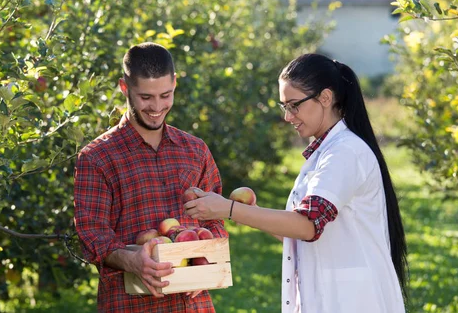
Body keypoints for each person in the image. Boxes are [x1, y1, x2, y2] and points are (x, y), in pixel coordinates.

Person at [184, 53, 408, 312]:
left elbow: (308, 226)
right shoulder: (326, 150)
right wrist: (251, 213)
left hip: (353, 300)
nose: (288, 117)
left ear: (325, 98)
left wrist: (228, 209)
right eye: (284, 107)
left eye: (294, 105)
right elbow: (304, 231)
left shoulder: (345, 152)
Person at [74, 42, 228, 312]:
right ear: (125, 87)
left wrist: (206, 258)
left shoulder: (195, 150)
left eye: (165, 95)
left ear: (175, 84)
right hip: (130, 304)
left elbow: (215, 219)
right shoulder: (97, 157)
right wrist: (133, 261)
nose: (157, 107)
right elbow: (92, 234)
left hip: (192, 304)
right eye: (146, 97)